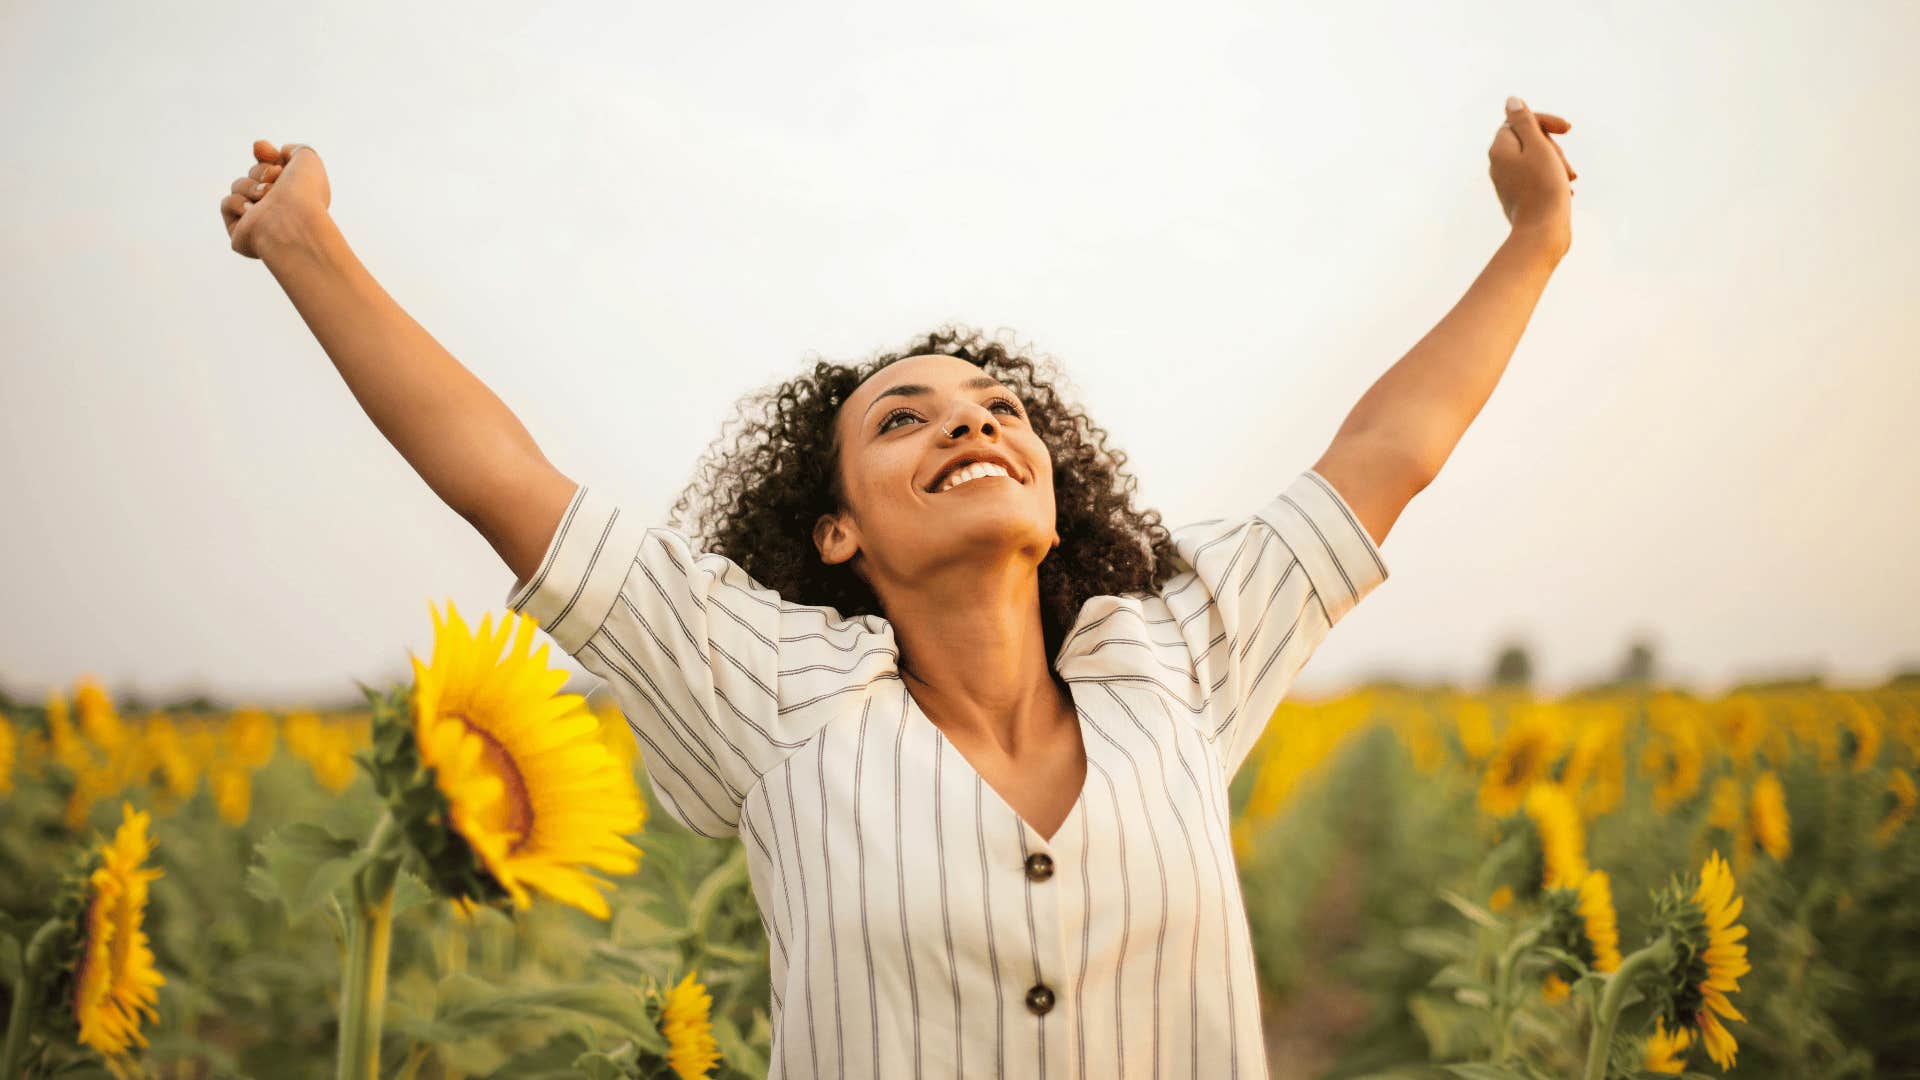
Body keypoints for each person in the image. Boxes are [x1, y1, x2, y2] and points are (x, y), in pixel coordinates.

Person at [221, 96, 1575, 1078]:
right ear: (833, 535)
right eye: (904, 421)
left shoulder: (1174, 656)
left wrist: (1534, 239)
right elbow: (504, 483)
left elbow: (1387, 456)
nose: (973, 427)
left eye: (999, 411)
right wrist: (307, 244)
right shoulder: (772, 697)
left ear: (1056, 493)